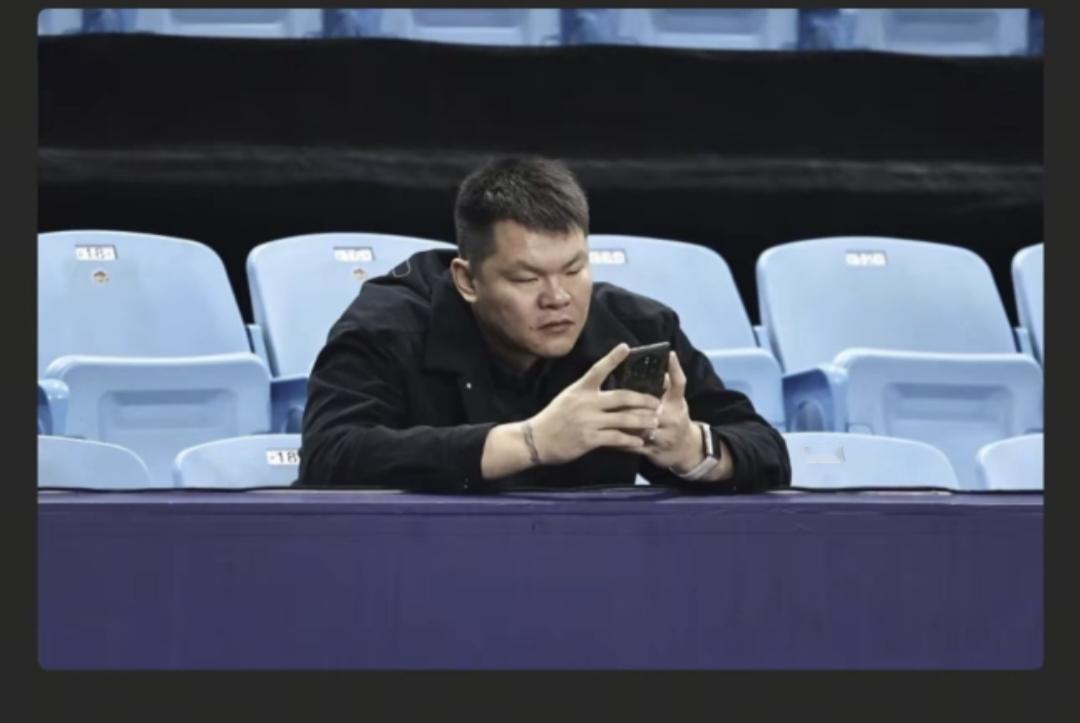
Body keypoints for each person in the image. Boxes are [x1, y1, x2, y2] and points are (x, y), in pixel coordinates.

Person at [298, 156, 790, 492]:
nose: (558, 298)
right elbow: (330, 456)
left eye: (574, 270)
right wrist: (530, 442)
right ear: (467, 280)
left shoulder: (635, 328)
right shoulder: (388, 326)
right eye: (527, 278)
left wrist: (693, 449)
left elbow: (766, 449)